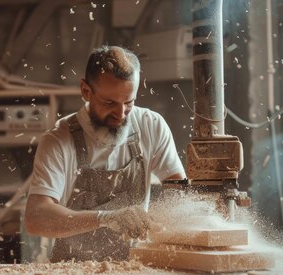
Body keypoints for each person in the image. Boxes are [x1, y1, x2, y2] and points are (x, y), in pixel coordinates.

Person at [24, 45, 185, 262]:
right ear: (85, 91)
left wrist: (164, 221)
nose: (120, 114)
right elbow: (37, 217)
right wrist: (106, 218)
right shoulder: (58, 141)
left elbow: (179, 192)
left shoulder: (151, 125)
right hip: (71, 272)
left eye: (129, 102)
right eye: (109, 103)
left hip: (135, 268)